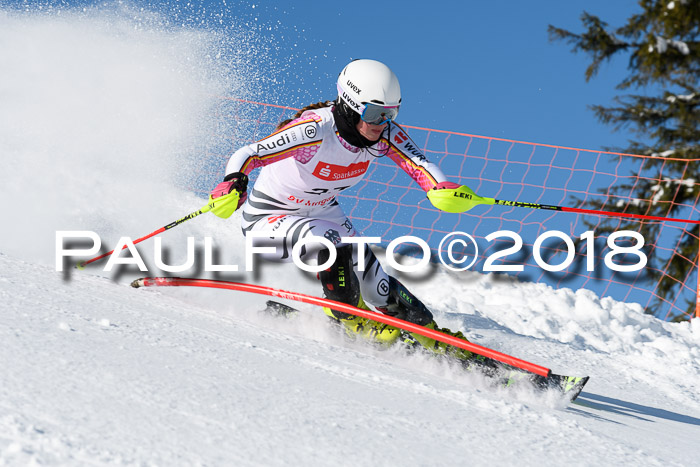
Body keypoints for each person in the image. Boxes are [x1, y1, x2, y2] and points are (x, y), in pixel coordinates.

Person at [210, 59, 477, 360]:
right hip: (268, 218)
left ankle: (433, 337)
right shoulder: (314, 130)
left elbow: (419, 164)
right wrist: (233, 182)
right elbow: (250, 153)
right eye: (376, 113)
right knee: (331, 245)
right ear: (350, 105)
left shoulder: (382, 134)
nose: (382, 123)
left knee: (376, 282)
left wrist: (440, 188)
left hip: (322, 212)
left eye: (391, 113)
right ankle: (351, 320)